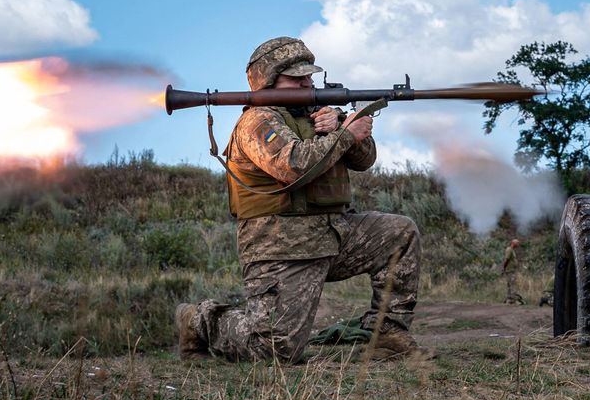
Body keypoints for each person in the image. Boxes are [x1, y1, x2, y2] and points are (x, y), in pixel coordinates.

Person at [175, 37, 427, 363]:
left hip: (332, 234)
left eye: (309, 76)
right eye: (297, 78)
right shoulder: (257, 122)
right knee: (276, 351)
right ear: (269, 81)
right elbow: (292, 165)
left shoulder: (315, 114)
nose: (307, 83)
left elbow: (364, 161)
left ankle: (389, 334)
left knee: (400, 233)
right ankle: (200, 320)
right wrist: (345, 134)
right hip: (281, 245)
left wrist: (340, 124)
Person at [501, 238, 524, 305]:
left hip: (511, 270)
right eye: (517, 243)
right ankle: (514, 300)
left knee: (510, 284)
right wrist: (504, 267)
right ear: (513, 243)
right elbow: (506, 259)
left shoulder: (512, 250)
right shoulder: (509, 250)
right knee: (513, 285)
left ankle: (509, 299)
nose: (518, 244)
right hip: (510, 270)